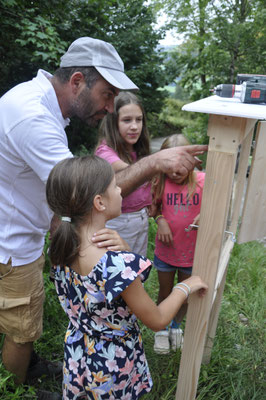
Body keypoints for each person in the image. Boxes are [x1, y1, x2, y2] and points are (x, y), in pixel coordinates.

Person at [0, 35, 207, 399]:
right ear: (77, 81)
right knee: (21, 329)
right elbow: (75, 188)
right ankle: (14, 390)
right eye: (108, 95)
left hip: (82, 354)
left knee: (26, 323)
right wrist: (155, 162)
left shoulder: (71, 246)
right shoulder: (33, 116)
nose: (111, 108)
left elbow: (68, 192)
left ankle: (28, 368)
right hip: (11, 243)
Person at [45, 154, 208, 400]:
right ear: (99, 202)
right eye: (115, 186)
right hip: (113, 366)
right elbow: (158, 320)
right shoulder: (116, 265)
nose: (120, 190)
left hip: (79, 354)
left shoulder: (61, 246)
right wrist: (185, 286)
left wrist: (125, 251)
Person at [151, 134, 205, 354]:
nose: (174, 173)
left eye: (180, 167)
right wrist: (160, 220)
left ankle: (176, 326)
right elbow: (153, 209)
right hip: (166, 253)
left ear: (192, 161)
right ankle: (161, 329)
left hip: (191, 254)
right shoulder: (160, 182)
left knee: (184, 294)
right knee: (165, 291)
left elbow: (219, 205)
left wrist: (205, 215)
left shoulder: (203, 181)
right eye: (169, 168)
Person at [95, 91, 151, 255]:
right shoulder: (105, 152)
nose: (134, 126)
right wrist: (160, 163)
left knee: (137, 268)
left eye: (139, 120)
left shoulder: (138, 150)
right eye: (127, 120)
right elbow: (130, 170)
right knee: (119, 270)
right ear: (113, 123)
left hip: (141, 218)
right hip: (117, 222)